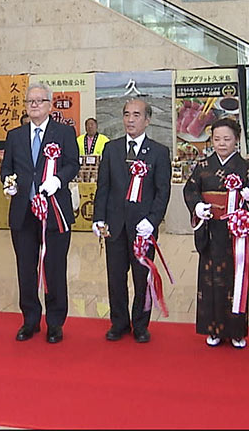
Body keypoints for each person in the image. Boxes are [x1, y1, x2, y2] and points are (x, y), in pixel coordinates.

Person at [0, 82, 79, 343]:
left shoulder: (64, 133)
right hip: (23, 213)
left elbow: (72, 164)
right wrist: (9, 184)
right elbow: (6, 169)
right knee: (26, 268)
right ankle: (30, 319)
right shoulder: (15, 135)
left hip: (54, 212)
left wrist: (58, 180)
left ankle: (55, 322)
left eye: (39, 101)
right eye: (30, 101)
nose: (34, 105)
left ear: (49, 105)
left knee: (54, 267)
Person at [92, 99, 171, 343]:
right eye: (127, 114)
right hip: (114, 226)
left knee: (142, 277)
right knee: (115, 278)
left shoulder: (158, 152)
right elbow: (103, 186)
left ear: (147, 120)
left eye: (136, 115)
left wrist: (153, 220)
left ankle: (140, 324)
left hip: (142, 228)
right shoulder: (112, 149)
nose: (130, 119)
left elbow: (162, 191)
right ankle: (118, 323)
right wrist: (98, 218)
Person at [182, 117, 249, 348]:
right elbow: (191, 190)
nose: (221, 143)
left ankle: (237, 331)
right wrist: (197, 205)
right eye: (217, 139)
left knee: (235, 280)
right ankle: (214, 329)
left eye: (227, 139)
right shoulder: (203, 166)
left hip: (235, 232)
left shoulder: (246, 169)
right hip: (211, 229)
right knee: (210, 281)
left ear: (236, 140)